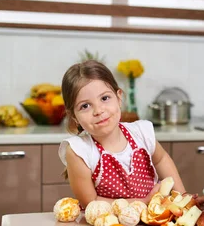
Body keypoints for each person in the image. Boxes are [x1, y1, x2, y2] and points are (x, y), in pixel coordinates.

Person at [58, 60, 185, 206]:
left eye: (105, 98)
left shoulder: (141, 133)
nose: (99, 110)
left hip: (152, 221)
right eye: (85, 106)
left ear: (119, 98)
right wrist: (141, 202)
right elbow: (90, 202)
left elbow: (161, 159)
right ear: (74, 116)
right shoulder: (79, 151)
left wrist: (182, 198)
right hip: (107, 225)